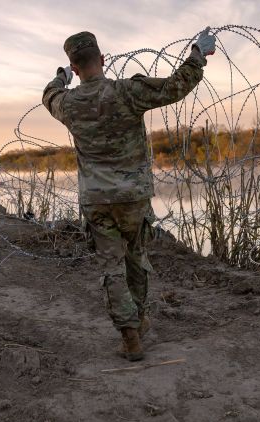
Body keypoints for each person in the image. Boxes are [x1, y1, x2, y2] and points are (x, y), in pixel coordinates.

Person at [42, 28, 216, 361]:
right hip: (133, 197)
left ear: (75, 67)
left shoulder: (68, 103)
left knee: (111, 268)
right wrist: (198, 54)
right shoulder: (127, 92)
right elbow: (175, 86)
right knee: (136, 258)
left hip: (96, 201)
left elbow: (49, 94)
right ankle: (138, 316)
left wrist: (59, 77)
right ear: (103, 59)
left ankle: (130, 335)